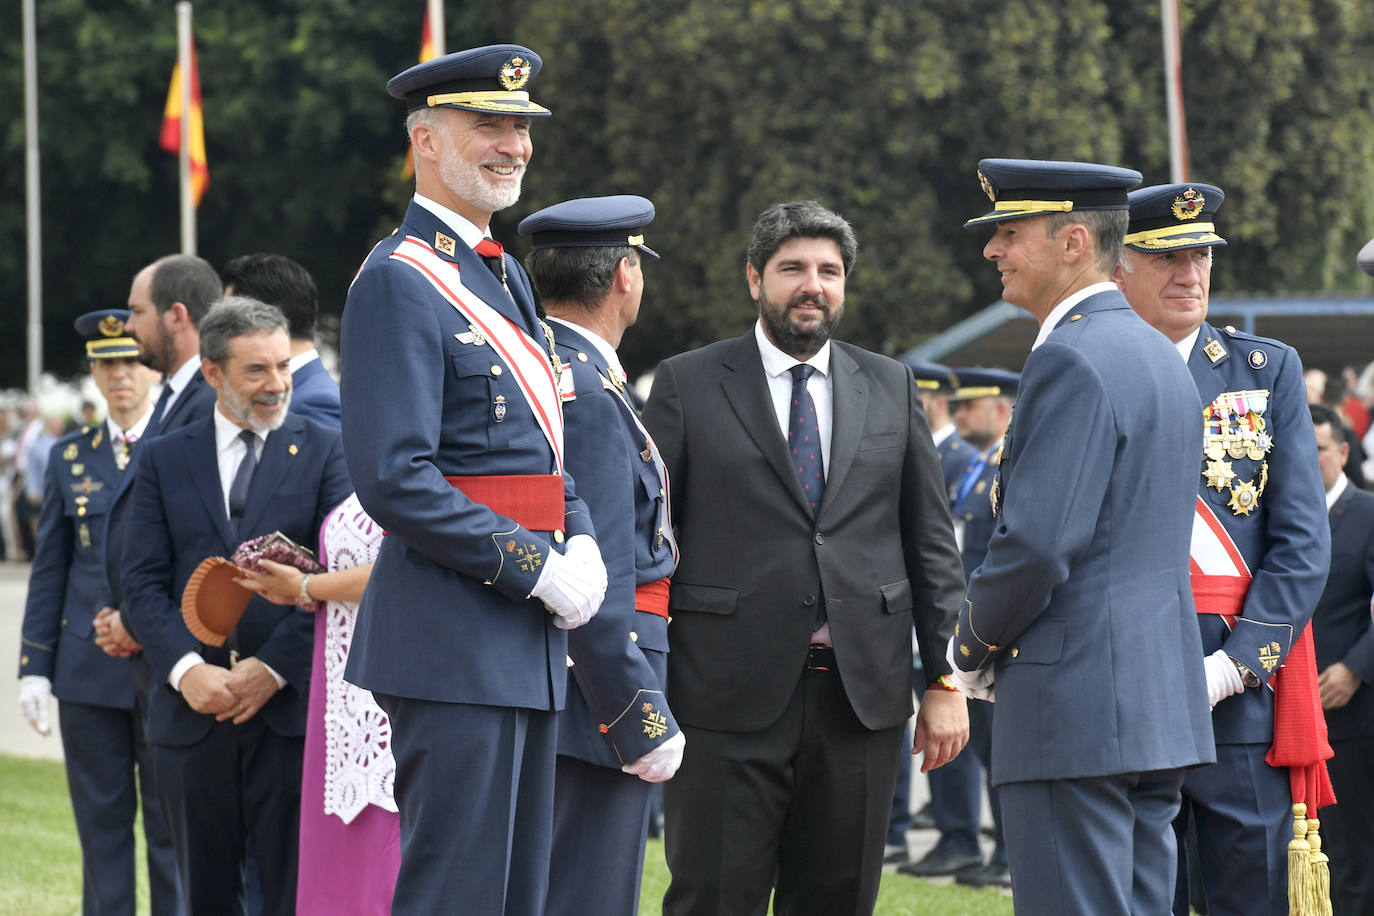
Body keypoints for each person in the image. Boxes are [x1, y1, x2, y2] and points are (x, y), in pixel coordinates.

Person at [642, 200, 969, 915]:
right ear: (755, 279)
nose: (811, 284)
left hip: (862, 699)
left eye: (828, 270)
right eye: (793, 268)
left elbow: (932, 546)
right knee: (713, 898)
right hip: (723, 695)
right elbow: (647, 538)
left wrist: (946, 679)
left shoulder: (891, 384)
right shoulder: (687, 384)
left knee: (838, 899)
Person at [339, 45, 608, 916]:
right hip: (453, 635)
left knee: (516, 893)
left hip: (522, 638)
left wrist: (586, 540)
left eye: (521, 127)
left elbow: (543, 448)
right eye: (488, 124)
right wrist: (537, 566)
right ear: (425, 139)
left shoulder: (501, 273)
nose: (514, 145)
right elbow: (395, 479)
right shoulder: (397, 280)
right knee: (458, 892)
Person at [950, 159, 1215, 915]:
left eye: (1009, 232)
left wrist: (970, 645)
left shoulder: (1071, 354)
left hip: (1075, 707)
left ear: (1072, 242)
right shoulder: (1158, 355)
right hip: (1153, 705)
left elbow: (1038, 544)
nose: (994, 251)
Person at [1113, 182, 1331, 916]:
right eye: (1168, 257)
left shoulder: (1266, 373)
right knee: (1144, 896)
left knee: (1256, 893)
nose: (1191, 274)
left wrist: (1235, 668)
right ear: (1119, 266)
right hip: (1124, 684)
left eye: (1202, 255)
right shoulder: (1088, 369)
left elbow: (1301, 543)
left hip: (1238, 698)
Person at [121, 297, 352, 914]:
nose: (277, 384)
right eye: (257, 371)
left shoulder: (329, 450)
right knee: (204, 896)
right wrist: (186, 672)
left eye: (282, 366)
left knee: (292, 894)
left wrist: (271, 669)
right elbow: (138, 582)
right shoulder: (163, 457)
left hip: (291, 721)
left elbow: (338, 580)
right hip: (193, 721)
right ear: (212, 373)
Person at [519, 194, 686, 915]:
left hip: (580, 680)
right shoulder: (584, 387)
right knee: (588, 891)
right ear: (625, 275)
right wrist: (636, 713)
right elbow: (602, 569)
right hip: (599, 690)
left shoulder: (558, 369)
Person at [17, 309, 179, 915]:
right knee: (102, 831)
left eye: (131, 362)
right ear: (93, 372)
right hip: (87, 674)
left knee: (171, 831)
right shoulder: (69, 456)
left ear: (151, 368)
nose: (120, 377)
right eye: (107, 365)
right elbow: (51, 569)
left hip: (165, 668)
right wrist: (35, 665)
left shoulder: (176, 443)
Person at [232, 492, 397, 916]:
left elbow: (403, 569)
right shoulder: (363, 469)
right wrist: (304, 585)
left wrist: (307, 585)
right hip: (339, 694)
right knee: (335, 869)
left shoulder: (432, 467)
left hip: (391, 696)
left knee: (388, 864)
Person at [908, 367, 1018, 889]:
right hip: (960, 631)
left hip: (988, 635)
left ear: (1002, 410)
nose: (960, 413)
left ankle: (1005, 851)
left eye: (972, 406)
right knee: (959, 745)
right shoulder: (978, 466)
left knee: (997, 749)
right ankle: (964, 841)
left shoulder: (1004, 464)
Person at [1308, 403, 1374, 915]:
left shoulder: (1368, 514)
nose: (1309, 461)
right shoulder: (1270, 514)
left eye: (1320, 450)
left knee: (1350, 851)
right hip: (1280, 709)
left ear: (1343, 452)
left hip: (1346, 711)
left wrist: (1356, 667)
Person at [222, 253, 341, 427]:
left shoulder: (316, 403)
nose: (222, 330)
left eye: (228, 318)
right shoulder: (304, 393)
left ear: (262, 318)